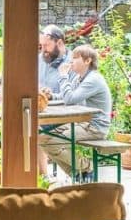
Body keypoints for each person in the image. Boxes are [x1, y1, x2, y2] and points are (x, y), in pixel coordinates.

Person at [39, 44, 112, 179]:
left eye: (75, 58)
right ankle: (78, 174)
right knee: (42, 138)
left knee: (53, 142)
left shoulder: (93, 79)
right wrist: (51, 96)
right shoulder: (80, 78)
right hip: (82, 123)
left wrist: (63, 76)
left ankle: (86, 167)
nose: (70, 61)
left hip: (95, 127)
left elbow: (70, 99)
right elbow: (65, 96)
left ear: (87, 60)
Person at [38, 24, 68, 95]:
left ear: (59, 43)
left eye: (46, 45)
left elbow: (72, 97)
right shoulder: (39, 59)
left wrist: (50, 96)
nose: (42, 50)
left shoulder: (74, 63)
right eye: (41, 46)